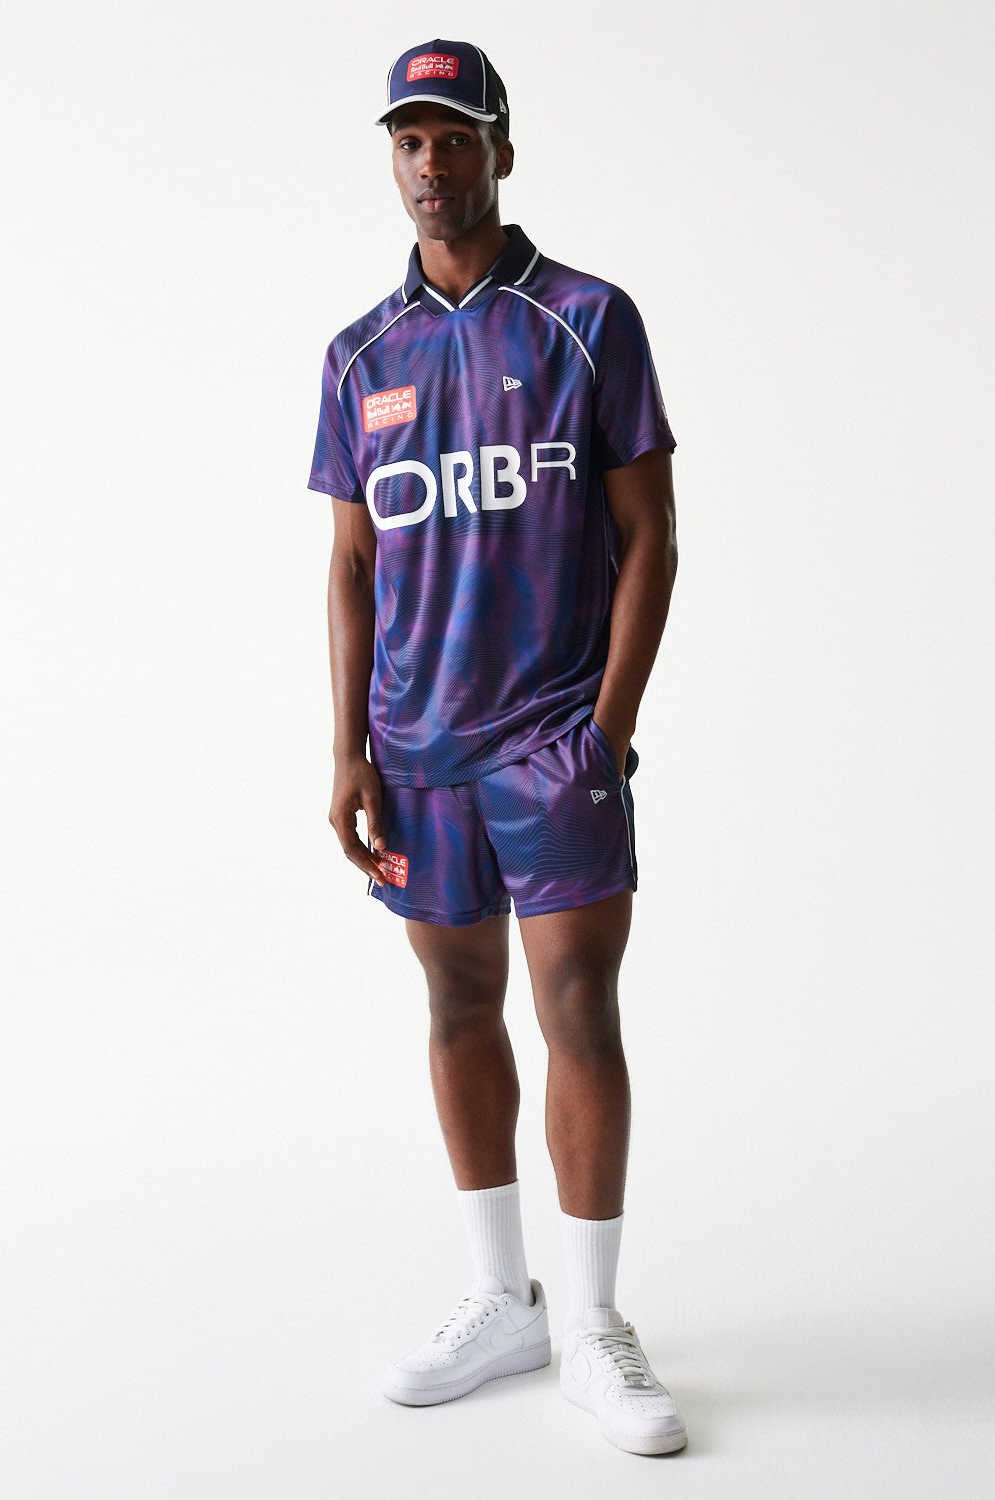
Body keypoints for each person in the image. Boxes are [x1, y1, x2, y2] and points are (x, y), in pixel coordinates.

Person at [307, 38, 685, 1457]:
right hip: (417, 751)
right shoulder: (360, 355)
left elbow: (651, 536)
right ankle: (500, 1300)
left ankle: (593, 1321)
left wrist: (610, 729)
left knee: (576, 1004)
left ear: (502, 151)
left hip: (551, 740)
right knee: (456, 1005)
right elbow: (352, 566)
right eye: (409, 141)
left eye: (455, 137)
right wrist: (348, 747)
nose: (430, 164)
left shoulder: (588, 320)